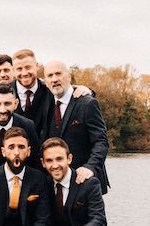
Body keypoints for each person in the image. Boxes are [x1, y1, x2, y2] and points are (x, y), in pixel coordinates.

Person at [42, 60, 110, 193]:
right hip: (56, 183)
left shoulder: (87, 103)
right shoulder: (46, 103)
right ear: (45, 81)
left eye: (58, 74)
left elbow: (101, 141)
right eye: (50, 76)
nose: (54, 79)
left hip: (84, 181)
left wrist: (90, 167)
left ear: (68, 76)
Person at [12, 48, 92, 135]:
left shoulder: (49, 89)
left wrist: (88, 91)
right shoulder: (5, 94)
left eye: (28, 67)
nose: (24, 73)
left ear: (37, 66)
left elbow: (66, 89)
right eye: (19, 69)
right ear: (13, 70)